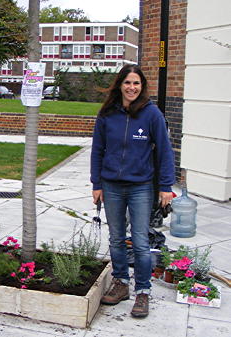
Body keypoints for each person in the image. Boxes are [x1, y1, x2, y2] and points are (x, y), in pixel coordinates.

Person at [90, 64, 175, 318]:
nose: (132, 88)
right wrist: (96, 183)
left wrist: (166, 187)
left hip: (140, 186)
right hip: (112, 186)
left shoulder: (152, 114)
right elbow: (97, 150)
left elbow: (165, 152)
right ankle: (121, 284)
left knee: (140, 241)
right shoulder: (107, 114)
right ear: (120, 85)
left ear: (142, 86)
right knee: (116, 238)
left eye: (136, 83)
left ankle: (143, 292)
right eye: (127, 83)